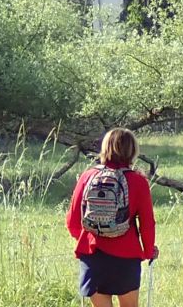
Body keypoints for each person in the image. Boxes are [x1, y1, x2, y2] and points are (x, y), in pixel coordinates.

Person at [66, 128, 158, 307]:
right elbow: (147, 224)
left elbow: (72, 222)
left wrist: (92, 236)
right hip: (126, 256)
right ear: (132, 151)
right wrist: (148, 252)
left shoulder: (88, 176)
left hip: (93, 256)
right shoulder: (139, 181)